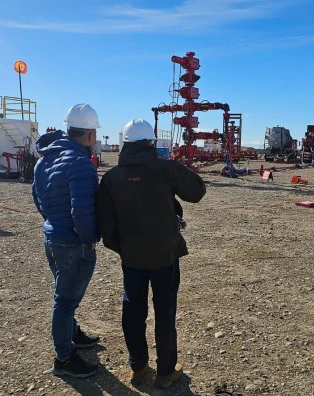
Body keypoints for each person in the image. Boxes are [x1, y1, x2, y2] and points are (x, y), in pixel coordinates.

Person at [96, 119, 206, 388]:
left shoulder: (111, 178)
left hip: (132, 259)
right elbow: (197, 191)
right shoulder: (165, 168)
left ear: (124, 143)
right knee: (165, 312)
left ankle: (138, 368)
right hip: (165, 256)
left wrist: (124, 249)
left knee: (133, 313)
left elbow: (105, 225)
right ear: (152, 143)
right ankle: (167, 371)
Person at [32, 104, 101, 378]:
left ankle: (72, 334)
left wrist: (53, 222)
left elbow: (37, 198)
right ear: (90, 135)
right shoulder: (80, 163)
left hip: (52, 236)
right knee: (65, 300)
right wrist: (90, 238)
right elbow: (81, 209)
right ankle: (64, 358)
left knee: (65, 293)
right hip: (73, 243)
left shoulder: (44, 160)